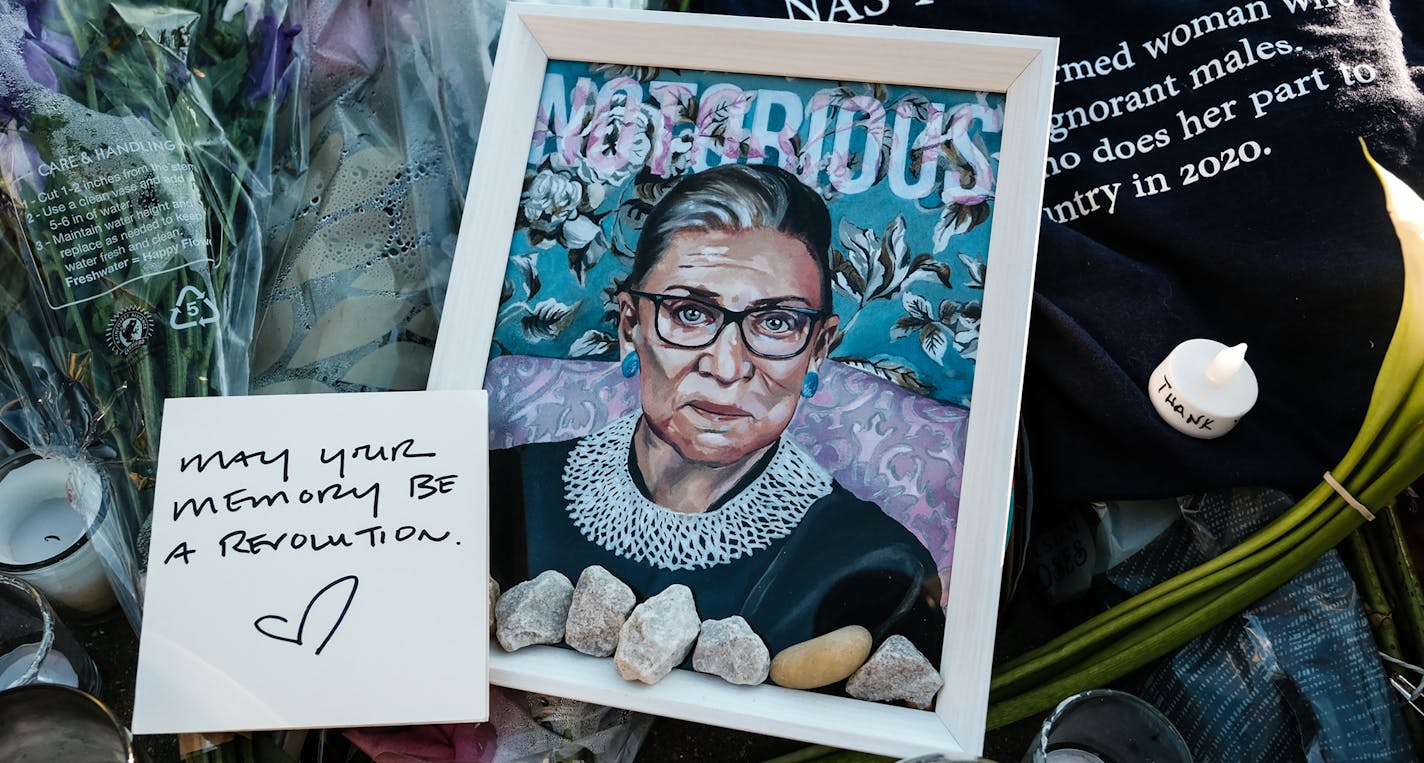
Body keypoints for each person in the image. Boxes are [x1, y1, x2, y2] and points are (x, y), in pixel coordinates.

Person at [490, 163, 943, 668]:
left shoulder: (880, 570)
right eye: (689, 313)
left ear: (817, 351)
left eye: (776, 322)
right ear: (629, 327)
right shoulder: (500, 491)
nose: (727, 368)